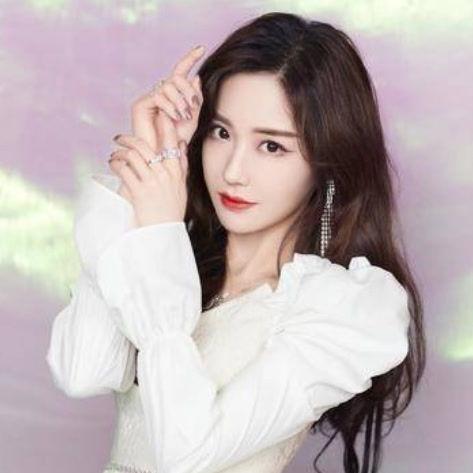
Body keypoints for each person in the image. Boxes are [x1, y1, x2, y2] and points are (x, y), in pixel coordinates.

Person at [45, 12, 425, 473]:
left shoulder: (336, 306)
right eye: (221, 133)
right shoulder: (172, 260)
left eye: (272, 146)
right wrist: (140, 187)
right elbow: (83, 371)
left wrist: (157, 237)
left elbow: (189, 453)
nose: (233, 171)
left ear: (326, 162)